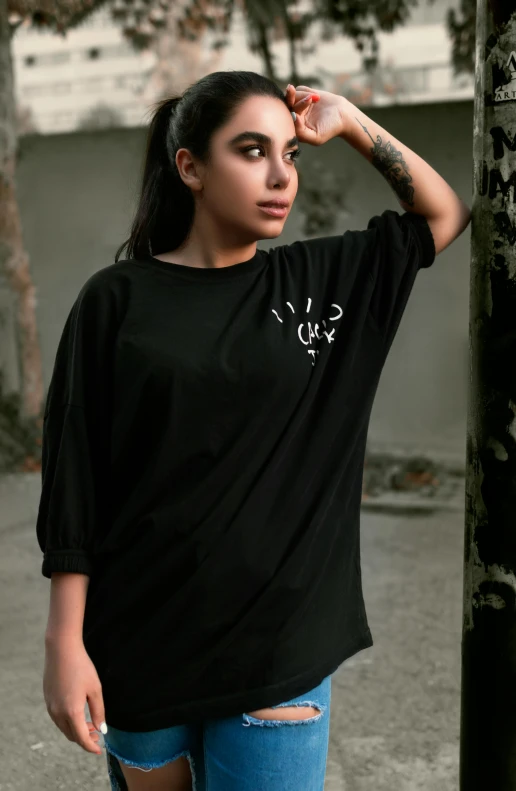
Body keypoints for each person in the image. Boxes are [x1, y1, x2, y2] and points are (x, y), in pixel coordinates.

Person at [36, 70, 471, 791]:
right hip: (140, 646)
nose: (280, 176)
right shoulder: (116, 300)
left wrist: (350, 120)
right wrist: (64, 640)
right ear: (190, 168)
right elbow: (78, 474)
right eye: (251, 150)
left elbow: (443, 213)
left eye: (290, 155)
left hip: (277, 648)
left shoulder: (320, 283)